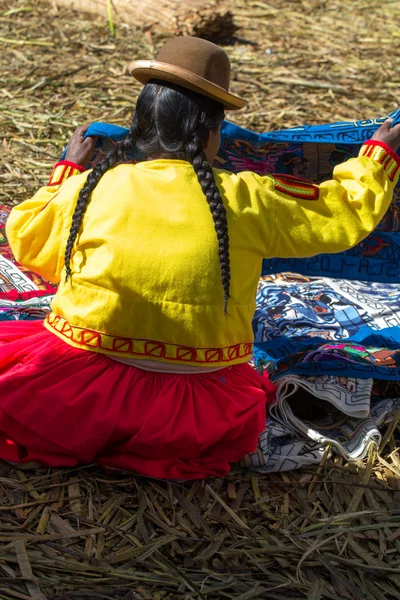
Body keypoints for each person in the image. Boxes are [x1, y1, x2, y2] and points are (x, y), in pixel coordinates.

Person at [1, 37, 399, 479]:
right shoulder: (248, 197)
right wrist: (376, 159)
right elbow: (339, 212)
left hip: (72, 401)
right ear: (212, 134)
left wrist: (68, 171)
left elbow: (28, 238)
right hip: (193, 421)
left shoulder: (94, 188)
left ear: (139, 124)